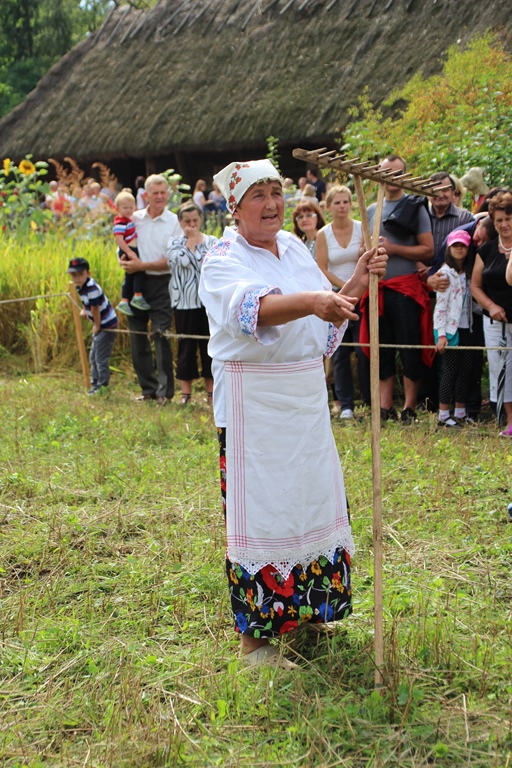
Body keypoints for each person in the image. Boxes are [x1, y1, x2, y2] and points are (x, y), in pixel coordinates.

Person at [198, 159, 387, 667]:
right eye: (257, 196)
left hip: (304, 399)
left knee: (310, 501)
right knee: (264, 513)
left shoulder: (296, 248)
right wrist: (316, 301)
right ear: (235, 208)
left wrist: (357, 283)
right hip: (254, 405)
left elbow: (324, 316)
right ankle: (255, 644)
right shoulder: (222, 257)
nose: (272, 204)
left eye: (276, 193)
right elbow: (254, 309)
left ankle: (308, 611)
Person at [364, 154, 435, 423]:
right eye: (386, 173)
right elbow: (363, 248)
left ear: (404, 175)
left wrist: (394, 249)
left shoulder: (415, 207)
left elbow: (428, 250)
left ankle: (409, 407)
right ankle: (384, 407)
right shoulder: (371, 210)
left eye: (396, 173)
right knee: (381, 349)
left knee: (408, 347)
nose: (391, 178)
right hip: (378, 289)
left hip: (406, 289)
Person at [120, 174, 182, 405]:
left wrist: (142, 265)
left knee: (161, 335)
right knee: (137, 337)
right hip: (135, 282)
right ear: (146, 195)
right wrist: (125, 261)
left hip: (162, 283)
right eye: (155, 193)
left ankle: (165, 393)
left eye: (163, 192)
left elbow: (173, 259)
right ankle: (148, 389)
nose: (159, 197)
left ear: (168, 194)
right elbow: (121, 243)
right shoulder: (134, 218)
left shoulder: (174, 222)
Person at [316, 185, 369, 418]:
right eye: (337, 202)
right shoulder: (323, 234)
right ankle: (346, 405)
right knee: (339, 352)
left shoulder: (361, 228)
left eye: (345, 201)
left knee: (364, 348)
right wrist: (346, 285)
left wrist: (358, 284)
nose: (342, 206)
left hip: (363, 296)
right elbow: (322, 268)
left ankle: (369, 399)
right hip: (336, 295)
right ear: (328, 206)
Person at [471, 191, 512, 436]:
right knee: (500, 369)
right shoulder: (485, 251)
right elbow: (475, 286)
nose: (504, 224)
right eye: (499, 220)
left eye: (508, 218)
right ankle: (510, 422)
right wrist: (491, 306)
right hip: (496, 322)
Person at [167, 202, 217, 404]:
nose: (192, 224)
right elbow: (183, 261)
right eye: (187, 221)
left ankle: (212, 393)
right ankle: (186, 394)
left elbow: (210, 264)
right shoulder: (173, 243)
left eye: (195, 220)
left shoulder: (213, 242)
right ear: (180, 222)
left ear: (200, 220)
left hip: (208, 303)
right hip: (184, 303)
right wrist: (192, 241)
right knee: (186, 347)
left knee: (209, 346)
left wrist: (197, 241)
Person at [433, 230, 474, 428]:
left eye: (463, 245)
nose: (459, 249)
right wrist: (441, 334)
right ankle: (443, 414)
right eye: (455, 245)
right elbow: (440, 307)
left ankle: (460, 412)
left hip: (467, 326)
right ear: (448, 248)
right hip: (449, 329)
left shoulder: (470, 272)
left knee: (465, 370)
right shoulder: (445, 273)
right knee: (449, 371)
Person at [67, 257, 118, 395]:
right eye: (74, 275)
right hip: (100, 324)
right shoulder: (80, 286)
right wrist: (84, 310)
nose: (77, 278)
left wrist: (97, 325)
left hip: (106, 325)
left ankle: (102, 386)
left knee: (100, 358)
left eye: (80, 274)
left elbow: (95, 308)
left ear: (88, 273)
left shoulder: (92, 288)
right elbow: (87, 302)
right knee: (93, 357)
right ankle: (95, 384)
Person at [113, 190, 150, 316]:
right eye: (125, 208)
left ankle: (124, 301)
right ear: (117, 208)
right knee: (140, 270)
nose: (129, 210)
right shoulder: (120, 222)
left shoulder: (128, 220)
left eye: (131, 207)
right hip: (128, 249)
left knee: (129, 276)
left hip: (130, 249)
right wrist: (130, 253)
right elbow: (119, 240)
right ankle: (137, 296)